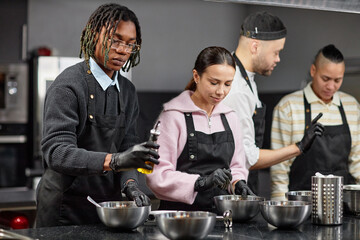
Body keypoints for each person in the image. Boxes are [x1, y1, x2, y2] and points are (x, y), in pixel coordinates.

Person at [35, 3, 160, 227]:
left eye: (130, 45)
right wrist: (115, 161)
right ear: (93, 34)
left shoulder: (128, 91)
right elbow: (57, 152)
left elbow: (127, 146)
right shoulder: (68, 86)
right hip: (65, 208)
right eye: (115, 40)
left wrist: (130, 183)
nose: (122, 50)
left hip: (106, 206)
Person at [222, 11, 324, 195]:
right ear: (255, 46)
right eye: (276, 52)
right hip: (228, 192)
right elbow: (247, 158)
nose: (278, 59)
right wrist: (298, 147)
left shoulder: (245, 78)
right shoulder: (235, 87)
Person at [146, 46, 249, 212]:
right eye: (214, 83)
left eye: (228, 84)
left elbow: (236, 167)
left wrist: (237, 183)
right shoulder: (172, 117)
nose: (221, 91)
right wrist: (200, 182)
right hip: (180, 218)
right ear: (196, 76)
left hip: (221, 216)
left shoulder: (230, 118)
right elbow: (157, 176)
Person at [270, 44, 360, 200]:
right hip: (300, 206)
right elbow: (279, 168)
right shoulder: (288, 107)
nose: (331, 86)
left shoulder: (351, 106)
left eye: (337, 80)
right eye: (325, 79)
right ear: (313, 71)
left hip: (342, 205)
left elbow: (357, 162)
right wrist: (282, 208)